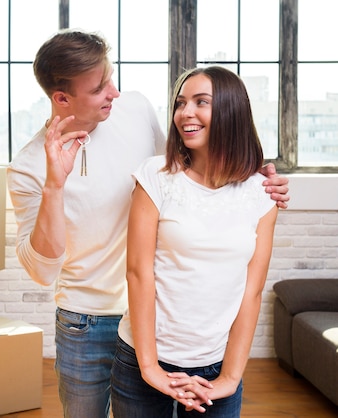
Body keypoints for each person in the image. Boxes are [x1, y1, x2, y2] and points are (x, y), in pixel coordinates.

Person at [7, 29, 289, 418]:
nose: (115, 92)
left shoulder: (135, 109)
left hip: (160, 314)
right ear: (62, 98)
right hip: (86, 320)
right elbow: (41, 270)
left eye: (111, 77)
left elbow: (181, 174)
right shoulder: (27, 167)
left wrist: (248, 177)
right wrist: (56, 184)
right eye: (100, 87)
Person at [111, 66, 279, 418]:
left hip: (216, 365)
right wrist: (150, 368)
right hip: (143, 359)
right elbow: (138, 274)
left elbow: (252, 291)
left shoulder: (261, 194)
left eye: (201, 102)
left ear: (232, 111)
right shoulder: (155, 177)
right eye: (181, 103)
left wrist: (230, 377)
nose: (185, 113)